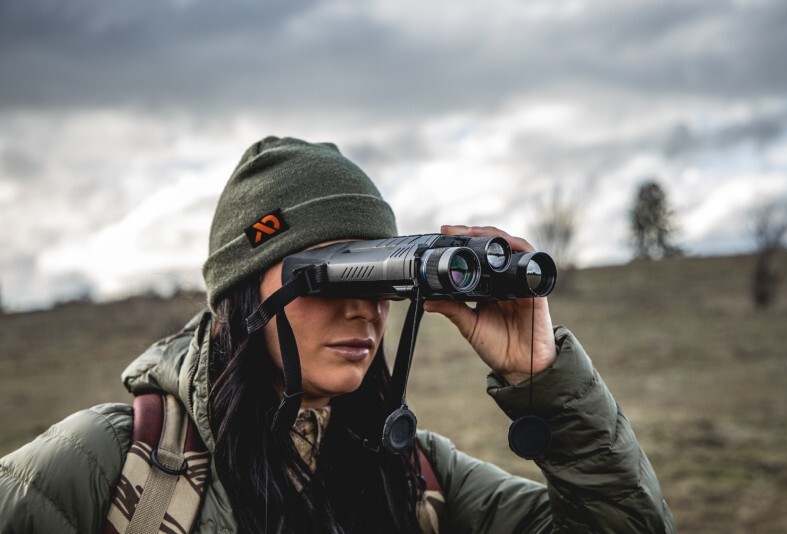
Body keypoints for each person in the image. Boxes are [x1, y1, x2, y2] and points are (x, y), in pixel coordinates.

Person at [0, 136, 675, 533]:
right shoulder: (107, 467)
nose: (365, 309)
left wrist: (544, 374)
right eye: (330, 276)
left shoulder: (418, 478)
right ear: (246, 294)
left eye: (381, 275)